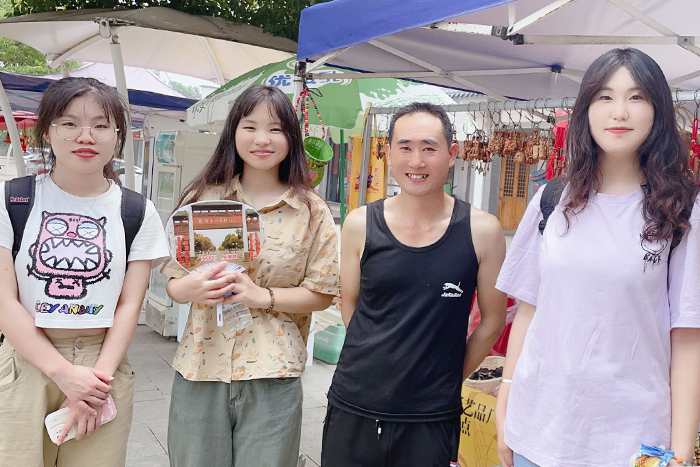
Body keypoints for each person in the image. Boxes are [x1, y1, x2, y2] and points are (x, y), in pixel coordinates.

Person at [495, 48, 700, 467]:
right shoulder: (552, 199)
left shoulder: (682, 209)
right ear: (586, 109)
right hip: (535, 431)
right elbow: (529, 311)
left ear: (658, 111)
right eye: (605, 96)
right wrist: (506, 394)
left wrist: (680, 453)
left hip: (630, 444)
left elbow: (688, 336)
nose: (619, 111)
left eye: (637, 97)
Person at [161, 84, 340, 467]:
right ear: (233, 132)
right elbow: (173, 282)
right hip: (201, 366)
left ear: (291, 138)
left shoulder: (311, 211)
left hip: (273, 370)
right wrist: (191, 288)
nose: (262, 139)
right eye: (250, 126)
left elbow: (322, 293)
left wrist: (263, 297)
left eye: (275, 129)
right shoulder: (202, 200)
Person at [321, 102, 507, 467]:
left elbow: (492, 321)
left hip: (431, 416)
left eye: (429, 148)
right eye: (405, 147)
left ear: (452, 154)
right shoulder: (360, 224)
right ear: (389, 153)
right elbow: (350, 305)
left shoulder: (483, 231)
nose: (416, 162)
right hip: (355, 404)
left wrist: (449, 377)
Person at [0, 77, 170, 466]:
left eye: (100, 125)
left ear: (118, 135)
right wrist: (63, 373)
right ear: (47, 131)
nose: (85, 136)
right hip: (25, 362)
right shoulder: (13, 200)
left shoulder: (137, 211)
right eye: (70, 123)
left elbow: (130, 304)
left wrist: (93, 386)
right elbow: (4, 300)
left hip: (102, 367)